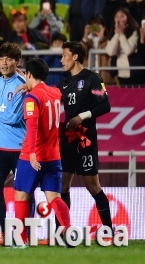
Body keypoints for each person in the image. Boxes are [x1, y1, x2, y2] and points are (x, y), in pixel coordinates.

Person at [13, 58, 72, 248]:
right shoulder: (55, 92)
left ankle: (20, 239)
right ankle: (68, 230)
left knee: (21, 196)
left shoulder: (32, 98)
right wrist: (29, 86)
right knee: (55, 198)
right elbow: (42, 93)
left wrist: (30, 152)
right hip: (53, 156)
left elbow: (32, 127)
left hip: (34, 155)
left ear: (29, 74)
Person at [57, 41, 112, 243]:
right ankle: (61, 233)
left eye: (64, 55)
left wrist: (82, 116)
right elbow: (49, 96)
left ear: (75, 57)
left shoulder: (92, 78)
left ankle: (109, 231)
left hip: (86, 139)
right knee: (62, 185)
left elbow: (106, 105)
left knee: (92, 185)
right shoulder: (63, 83)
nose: (61, 59)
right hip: (67, 140)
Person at [0, 43, 28, 246]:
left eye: (9, 59)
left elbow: (14, 117)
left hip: (19, 148)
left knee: (24, 192)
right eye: (1, 58)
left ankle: (25, 233)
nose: (4, 62)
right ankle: (1, 232)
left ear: (17, 62)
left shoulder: (22, 84)